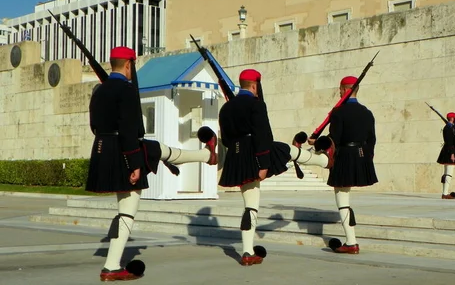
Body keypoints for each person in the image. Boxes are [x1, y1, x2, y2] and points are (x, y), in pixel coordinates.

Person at [86, 46, 218, 281]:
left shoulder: (98, 91)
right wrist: (134, 163)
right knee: (127, 211)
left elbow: (94, 126)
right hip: (124, 150)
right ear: (128, 65)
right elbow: (128, 129)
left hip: (102, 148)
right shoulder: (125, 90)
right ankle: (112, 267)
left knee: (159, 151)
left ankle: (206, 156)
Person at [218, 69, 332, 266]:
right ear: (254, 86)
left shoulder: (226, 108)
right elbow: (263, 135)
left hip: (236, 157)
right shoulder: (256, 104)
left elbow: (227, 139)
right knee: (284, 150)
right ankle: (324, 161)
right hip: (254, 153)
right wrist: (263, 164)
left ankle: (247, 252)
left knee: (250, 204)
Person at [312, 76, 377, 255]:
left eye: (340, 89)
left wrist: (316, 144)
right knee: (345, 199)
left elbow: (334, 140)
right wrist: (366, 156)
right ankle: (351, 240)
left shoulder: (339, 112)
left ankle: (351, 241)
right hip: (362, 155)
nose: (339, 92)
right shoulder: (367, 112)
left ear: (343, 89)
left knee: (342, 198)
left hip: (344, 156)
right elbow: (372, 139)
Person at [436, 112, 455, 199]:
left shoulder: (450, 127)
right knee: (449, 173)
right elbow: (450, 142)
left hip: (448, 150)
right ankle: (445, 193)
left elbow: (453, 140)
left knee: (447, 173)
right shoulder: (449, 128)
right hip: (450, 151)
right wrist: (452, 154)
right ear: (452, 118)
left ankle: (445, 193)